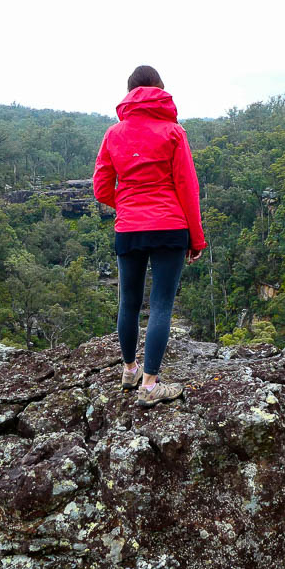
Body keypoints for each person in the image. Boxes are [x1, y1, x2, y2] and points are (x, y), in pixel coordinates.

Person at [92, 65, 207, 407]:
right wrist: (196, 239)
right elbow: (188, 188)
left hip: (128, 227)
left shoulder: (113, 135)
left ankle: (129, 370)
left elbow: (100, 188)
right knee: (160, 305)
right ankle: (150, 386)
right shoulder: (173, 132)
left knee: (128, 302)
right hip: (170, 225)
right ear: (160, 90)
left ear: (129, 94)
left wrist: (126, 203)